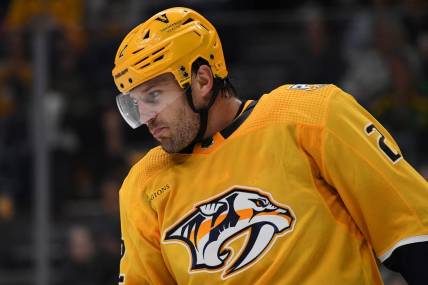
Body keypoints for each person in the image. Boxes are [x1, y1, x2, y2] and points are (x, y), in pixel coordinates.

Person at [111, 7, 428, 285]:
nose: (146, 117)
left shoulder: (312, 114)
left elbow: (413, 232)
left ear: (203, 81)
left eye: (154, 96)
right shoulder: (143, 184)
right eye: (135, 104)